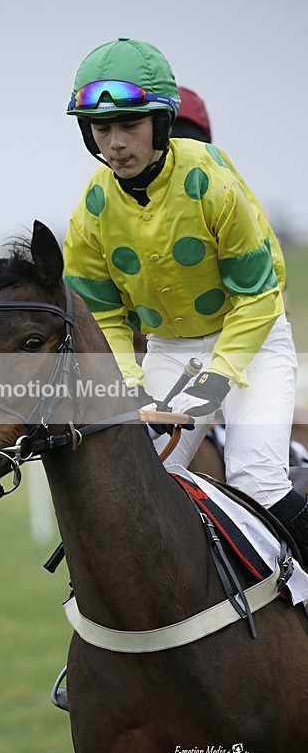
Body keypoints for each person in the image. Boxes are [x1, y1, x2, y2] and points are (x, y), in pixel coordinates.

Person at [63, 37, 308, 564]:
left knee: (256, 479)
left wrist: (217, 378)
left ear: (162, 122)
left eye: (130, 125)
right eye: (102, 129)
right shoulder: (92, 207)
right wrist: (127, 381)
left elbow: (260, 300)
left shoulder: (213, 184)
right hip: (172, 350)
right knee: (141, 482)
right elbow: (101, 310)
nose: (115, 143)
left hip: (253, 342)